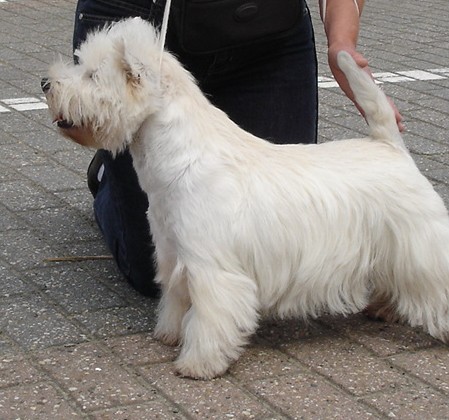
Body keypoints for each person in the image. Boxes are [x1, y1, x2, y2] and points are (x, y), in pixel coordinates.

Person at [69, 0, 403, 297]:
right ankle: (112, 174)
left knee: (280, 219)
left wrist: (341, 40)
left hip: (266, 32)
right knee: (152, 272)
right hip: (137, 27)